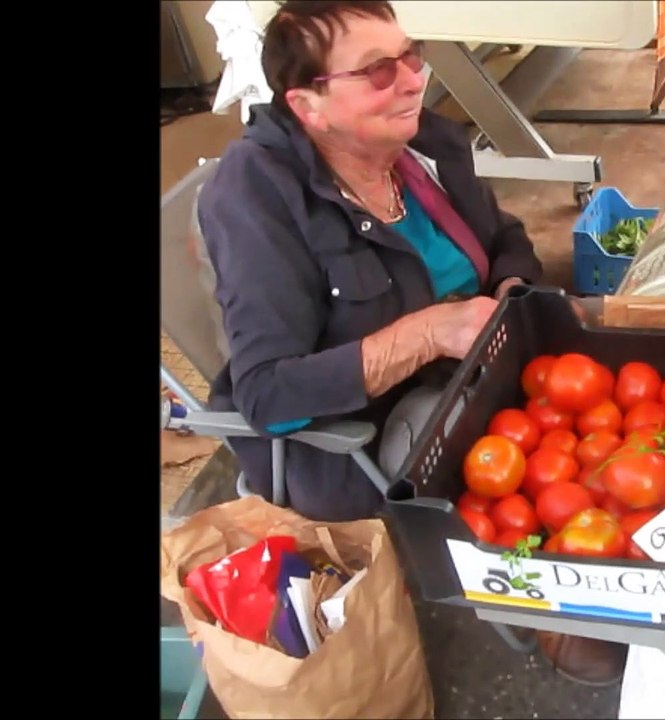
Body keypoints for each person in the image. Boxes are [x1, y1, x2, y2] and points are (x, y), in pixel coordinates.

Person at [195, 0, 625, 685]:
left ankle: (611, 559)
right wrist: (427, 334)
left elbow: (507, 236)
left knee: (600, 400)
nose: (413, 79)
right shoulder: (254, 198)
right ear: (309, 105)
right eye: (377, 70)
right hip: (359, 432)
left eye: (411, 54)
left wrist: (511, 290)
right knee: (509, 453)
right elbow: (268, 394)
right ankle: (546, 600)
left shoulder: (425, 147)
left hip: (477, 370)